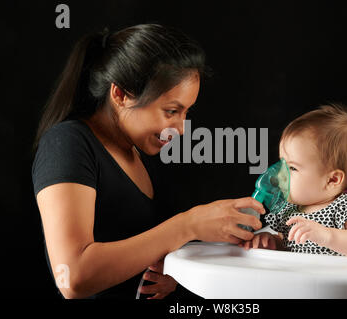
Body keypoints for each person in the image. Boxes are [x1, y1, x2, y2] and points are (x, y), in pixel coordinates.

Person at [32, 24, 265, 299]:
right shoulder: (68, 143)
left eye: (186, 113)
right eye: (171, 111)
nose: (181, 129)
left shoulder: (140, 153)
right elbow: (73, 276)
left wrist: (173, 272)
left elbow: (142, 251)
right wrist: (188, 225)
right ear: (120, 94)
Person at [239, 104, 347, 260]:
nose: (280, 174)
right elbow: (288, 247)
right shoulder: (290, 211)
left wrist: (327, 236)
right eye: (282, 164)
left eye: (292, 168)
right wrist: (274, 243)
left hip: (334, 282)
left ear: (333, 180)